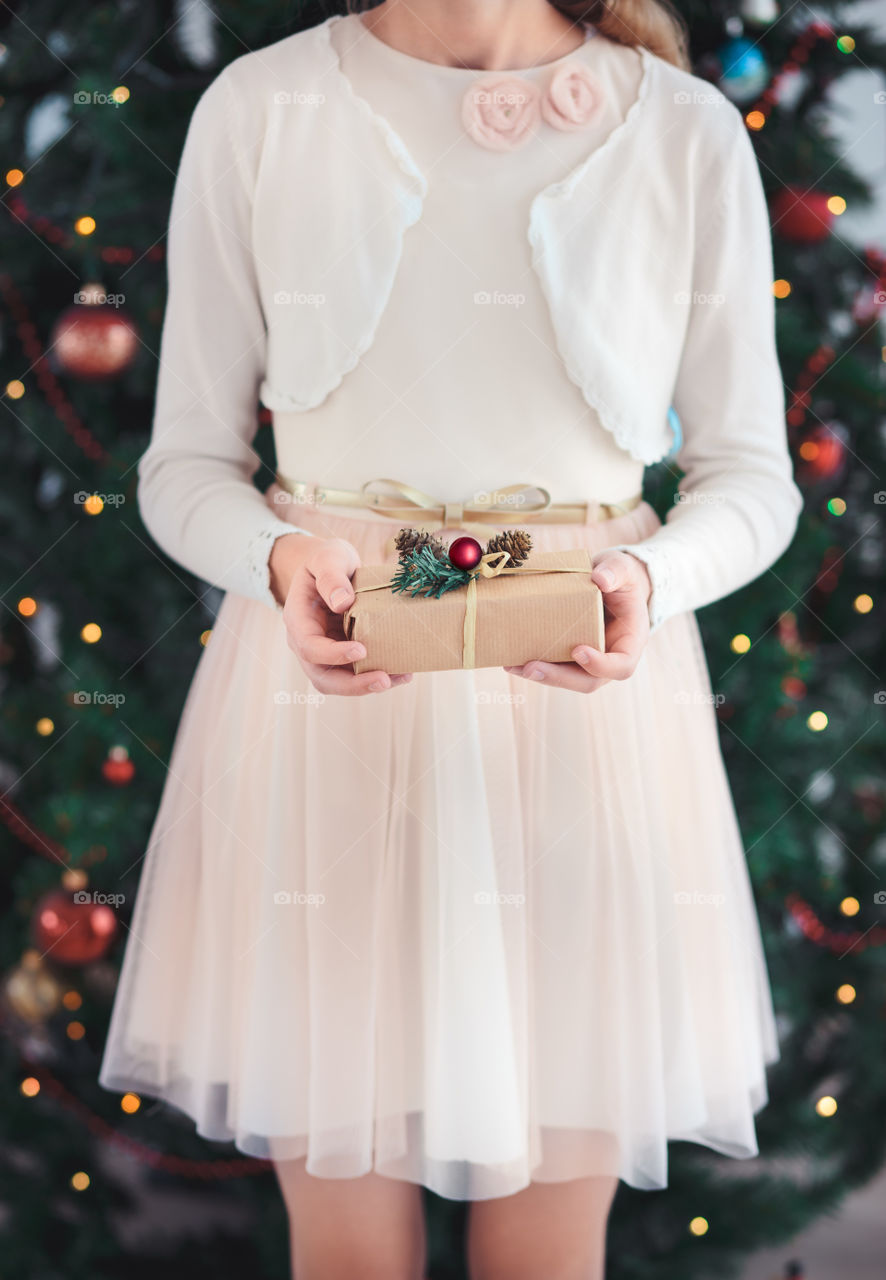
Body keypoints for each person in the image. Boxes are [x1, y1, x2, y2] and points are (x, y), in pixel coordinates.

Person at [98, 2, 803, 1277]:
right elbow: (185, 466)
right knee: (348, 1250)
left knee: (547, 1250)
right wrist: (274, 557)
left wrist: (647, 574)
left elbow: (752, 475)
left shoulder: (684, 131)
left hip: (588, 732)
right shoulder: (262, 109)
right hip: (328, 723)